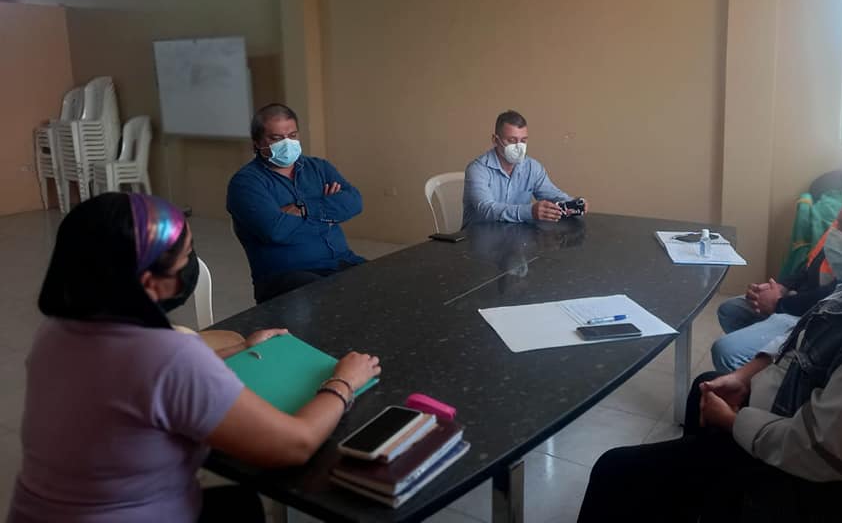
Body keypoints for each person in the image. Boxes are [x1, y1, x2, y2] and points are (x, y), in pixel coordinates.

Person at [579, 163, 842, 522]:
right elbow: (806, 334)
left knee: (617, 471)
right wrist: (745, 376)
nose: (835, 235)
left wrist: (734, 423)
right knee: (704, 389)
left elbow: (817, 453)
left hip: (810, 485)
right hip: (796, 415)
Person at [7, 192, 380, 523]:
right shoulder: (168, 357)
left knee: (239, 504)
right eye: (185, 258)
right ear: (148, 282)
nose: (191, 267)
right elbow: (295, 445)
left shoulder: (55, 332)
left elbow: (144, 383)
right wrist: (344, 381)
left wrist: (240, 349)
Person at [711, 117, 842, 371]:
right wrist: (783, 286)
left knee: (728, 352)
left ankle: (767, 380)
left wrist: (780, 304)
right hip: (806, 298)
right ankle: (771, 369)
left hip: (825, 315)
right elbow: (816, 262)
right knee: (731, 310)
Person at [227, 104, 364, 304]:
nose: (287, 143)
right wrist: (328, 214)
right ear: (257, 143)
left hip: (342, 261)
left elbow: (355, 202)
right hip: (287, 275)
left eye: (292, 135)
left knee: (386, 282)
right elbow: (275, 230)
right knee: (336, 302)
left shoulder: (319, 168)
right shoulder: (245, 183)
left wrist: (303, 209)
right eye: (276, 138)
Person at [462, 110, 587, 228]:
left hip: (516, 237)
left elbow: (553, 195)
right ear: (495, 140)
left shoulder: (532, 167)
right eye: (512, 140)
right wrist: (529, 211)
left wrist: (574, 202)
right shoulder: (477, 169)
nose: (519, 146)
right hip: (478, 238)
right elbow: (487, 209)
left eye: (523, 141)